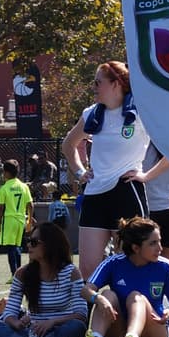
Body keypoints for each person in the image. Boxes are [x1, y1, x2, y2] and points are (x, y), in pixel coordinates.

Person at [62, 60, 151, 285]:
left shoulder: (141, 110)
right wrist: (80, 171)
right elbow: (68, 145)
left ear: (116, 84)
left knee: (130, 261)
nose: (94, 87)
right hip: (95, 195)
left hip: (126, 191)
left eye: (98, 82)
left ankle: (128, 316)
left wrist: (147, 176)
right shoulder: (91, 113)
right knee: (88, 268)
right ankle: (87, 317)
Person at [79, 216, 169, 337]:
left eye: (159, 241)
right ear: (136, 248)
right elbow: (85, 290)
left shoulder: (165, 266)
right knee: (107, 295)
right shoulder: (113, 263)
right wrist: (98, 298)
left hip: (154, 336)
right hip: (118, 335)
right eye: (153, 243)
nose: (160, 248)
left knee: (136, 297)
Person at [0, 220, 87, 337]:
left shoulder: (71, 273)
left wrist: (51, 322)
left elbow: (81, 315)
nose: (29, 245)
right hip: (31, 333)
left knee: (77, 328)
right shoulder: (22, 273)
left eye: (34, 242)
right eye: (28, 240)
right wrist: (16, 323)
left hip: (58, 330)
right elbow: (9, 313)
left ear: (50, 245)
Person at [0, 158, 33, 274]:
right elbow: (30, 205)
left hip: (9, 220)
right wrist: (29, 221)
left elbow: (0, 208)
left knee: (11, 247)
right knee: (17, 246)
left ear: (6, 172)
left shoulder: (4, 188)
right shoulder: (23, 186)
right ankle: (20, 273)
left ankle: (14, 274)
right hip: (21, 219)